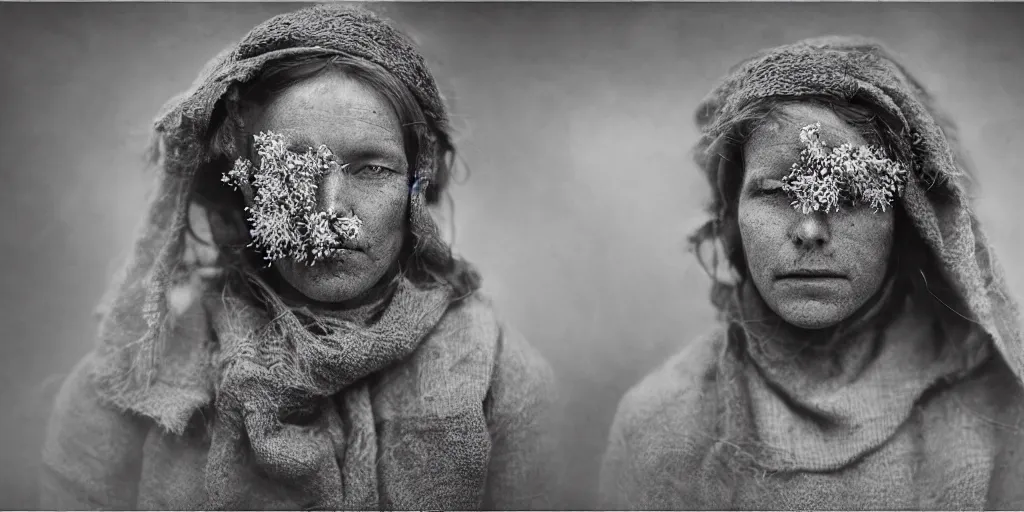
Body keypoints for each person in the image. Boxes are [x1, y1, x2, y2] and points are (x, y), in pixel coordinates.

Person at [40, 5, 560, 510]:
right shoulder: (127, 397)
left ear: (417, 186)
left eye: (371, 169)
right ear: (241, 188)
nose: (330, 210)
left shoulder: (500, 383)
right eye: (292, 167)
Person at [599, 36, 1024, 510]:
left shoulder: (994, 416)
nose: (809, 229)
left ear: (906, 220)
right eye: (776, 191)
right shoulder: (663, 424)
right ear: (731, 212)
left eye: (850, 195)